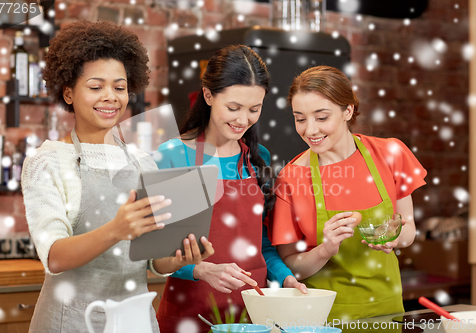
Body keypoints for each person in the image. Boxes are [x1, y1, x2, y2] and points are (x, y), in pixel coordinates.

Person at [21, 20, 213, 333]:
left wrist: (182, 256)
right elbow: (54, 256)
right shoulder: (49, 162)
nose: (111, 96)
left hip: (134, 324)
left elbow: (154, 261)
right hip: (70, 323)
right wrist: (117, 229)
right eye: (96, 87)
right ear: (68, 93)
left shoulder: (143, 163)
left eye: (120, 87)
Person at [154, 45, 307, 333]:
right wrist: (200, 270)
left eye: (254, 109)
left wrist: (286, 279)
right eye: (233, 108)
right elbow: (157, 257)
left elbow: (262, 245)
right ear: (209, 95)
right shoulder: (173, 155)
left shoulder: (258, 157)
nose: (242, 120)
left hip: (252, 316)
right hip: (190, 316)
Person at [265, 65, 427, 322]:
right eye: (300, 118)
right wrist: (325, 250)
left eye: (321, 117)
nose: (310, 130)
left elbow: (408, 230)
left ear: (347, 110)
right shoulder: (291, 177)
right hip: (323, 317)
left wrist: (394, 238)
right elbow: (291, 267)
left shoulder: (390, 154)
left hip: (387, 311)